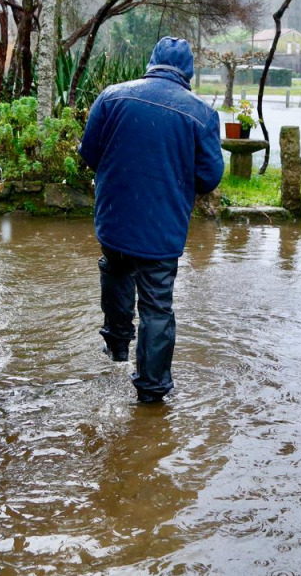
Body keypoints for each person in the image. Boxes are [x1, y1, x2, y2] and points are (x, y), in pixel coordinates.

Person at [78, 37, 224, 404]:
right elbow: (209, 178)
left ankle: (116, 348)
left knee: (115, 269)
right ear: (189, 72)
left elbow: (89, 154)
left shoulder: (111, 96)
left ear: (152, 60)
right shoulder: (201, 114)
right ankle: (152, 392)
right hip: (162, 227)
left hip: (114, 216)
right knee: (157, 304)